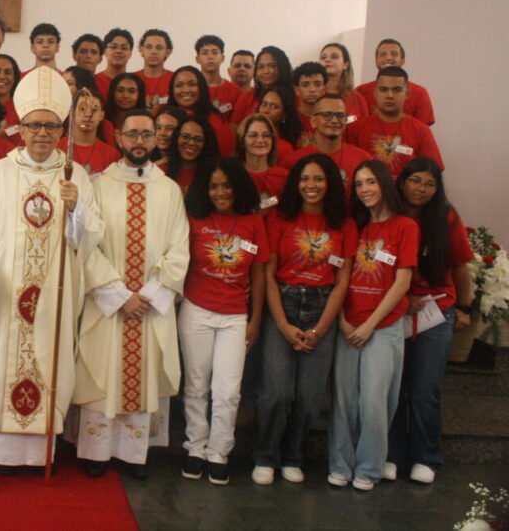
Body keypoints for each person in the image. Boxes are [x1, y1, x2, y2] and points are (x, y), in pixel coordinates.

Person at [0, 67, 103, 473]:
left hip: (53, 296)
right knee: (6, 359)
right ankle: (2, 452)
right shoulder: (0, 173)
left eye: (51, 126)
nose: (42, 133)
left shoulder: (75, 176)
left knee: (47, 361)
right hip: (4, 293)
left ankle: (40, 454)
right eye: (34, 125)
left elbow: (89, 238)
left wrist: (77, 210)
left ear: (61, 130)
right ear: (20, 127)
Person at [72, 110, 189, 479]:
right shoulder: (97, 184)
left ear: (156, 140)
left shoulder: (168, 189)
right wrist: (119, 295)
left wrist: (150, 295)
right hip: (111, 304)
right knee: (103, 370)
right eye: (132, 134)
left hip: (149, 307)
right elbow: (87, 245)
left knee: (143, 373)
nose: (140, 141)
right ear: (119, 139)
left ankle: (132, 454)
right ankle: (96, 451)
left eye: (147, 135)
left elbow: (179, 248)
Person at [252, 154, 355, 485]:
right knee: (276, 392)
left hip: (322, 307)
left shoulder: (344, 224)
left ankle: (293, 454)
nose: (312, 186)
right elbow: (267, 275)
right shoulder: (281, 218)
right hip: (283, 302)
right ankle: (266, 455)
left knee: (310, 394)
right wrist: (282, 325)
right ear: (296, 184)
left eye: (319, 179)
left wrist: (319, 329)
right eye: (305, 179)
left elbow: (343, 280)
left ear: (331, 184)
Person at [328, 160, 418, 491]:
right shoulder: (355, 226)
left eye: (370, 182)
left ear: (384, 184)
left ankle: (368, 468)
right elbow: (341, 275)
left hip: (383, 327)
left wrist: (370, 325)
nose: (365, 189)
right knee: (344, 399)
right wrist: (342, 320)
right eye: (359, 184)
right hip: (348, 325)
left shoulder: (405, 226)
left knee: (375, 401)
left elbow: (402, 283)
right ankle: (340, 464)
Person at [180, 157, 268, 485]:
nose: (220, 192)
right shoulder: (195, 219)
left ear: (239, 187)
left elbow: (259, 274)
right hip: (196, 310)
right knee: (196, 385)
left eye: (227, 185)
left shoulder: (253, 222)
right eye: (214, 186)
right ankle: (195, 448)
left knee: (228, 390)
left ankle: (219, 451)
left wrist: (255, 319)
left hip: (235, 315)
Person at [385, 158, 473, 484]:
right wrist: (401, 300)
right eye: (415, 181)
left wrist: (465, 308)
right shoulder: (388, 214)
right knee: (393, 387)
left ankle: (427, 457)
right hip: (395, 310)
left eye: (429, 184)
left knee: (425, 388)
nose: (421, 189)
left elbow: (461, 266)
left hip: (438, 312)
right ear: (402, 182)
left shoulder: (446, 217)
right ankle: (391, 454)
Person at [346, 67, 443, 177]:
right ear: (375, 93)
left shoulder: (421, 131)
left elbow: (434, 172)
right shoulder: (355, 129)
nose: (390, 96)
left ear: (407, 93)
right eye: (383, 89)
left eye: (396, 90)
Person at [282, 94, 372, 193]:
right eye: (326, 115)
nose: (334, 120)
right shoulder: (293, 161)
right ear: (313, 121)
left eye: (340, 116)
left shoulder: (363, 159)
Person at [355, 39, 436, 125]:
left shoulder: (420, 93)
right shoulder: (360, 92)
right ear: (376, 61)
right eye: (383, 54)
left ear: (402, 60)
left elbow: (421, 131)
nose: (388, 58)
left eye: (394, 54)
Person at [166, 66, 237, 156]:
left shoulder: (217, 122)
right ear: (172, 90)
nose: (186, 90)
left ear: (202, 88)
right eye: (179, 85)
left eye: (192, 84)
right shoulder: (164, 117)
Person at [57, 86, 119, 176]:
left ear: (101, 115)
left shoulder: (111, 155)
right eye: (82, 109)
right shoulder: (57, 148)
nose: (88, 114)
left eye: (94, 109)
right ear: (73, 113)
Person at [236, 114, 288, 211]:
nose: (260, 140)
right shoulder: (232, 175)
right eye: (253, 135)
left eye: (266, 135)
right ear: (242, 140)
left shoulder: (284, 177)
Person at [232, 46, 292, 123]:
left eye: (272, 66)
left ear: (282, 67)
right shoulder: (246, 99)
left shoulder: (295, 99)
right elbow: (234, 132)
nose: (266, 71)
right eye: (260, 67)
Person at [166, 116, 220, 194]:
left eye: (198, 139)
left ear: (206, 143)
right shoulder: (160, 170)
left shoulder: (215, 174)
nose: (191, 143)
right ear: (176, 138)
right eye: (185, 137)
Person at [318, 43, 370, 121]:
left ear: (345, 64)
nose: (327, 60)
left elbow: (365, 128)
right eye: (323, 57)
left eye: (334, 57)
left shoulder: (357, 99)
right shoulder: (312, 95)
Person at [196, 35, 242, 121]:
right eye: (205, 53)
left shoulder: (235, 91)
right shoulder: (191, 89)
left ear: (222, 58)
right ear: (197, 59)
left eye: (215, 52)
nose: (210, 57)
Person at [256, 86, 299, 159]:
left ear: (284, 115)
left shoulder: (284, 148)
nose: (266, 110)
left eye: (274, 107)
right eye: (264, 104)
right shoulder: (248, 138)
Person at [293, 62, 328, 147]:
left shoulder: (332, 119)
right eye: (305, 84)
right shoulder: (289, 119)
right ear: (297, 90)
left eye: (317, 84)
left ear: (324, 89)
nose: (312, 89)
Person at [136, 29, 174, 109]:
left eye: (159, 48)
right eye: (149, 47)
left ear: (168, 52)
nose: (153, 51)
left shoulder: (175, 79)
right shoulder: (132, 79)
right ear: (141, 49)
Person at [105, 72, 146, 139]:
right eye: (120, 90)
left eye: (131, 91)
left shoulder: (147, 123)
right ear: (112, 92)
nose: (125, 96)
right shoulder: (101, 121)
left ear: (140, 94)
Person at [95, 28, 133, 99]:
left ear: (130, 53)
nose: (118, 51)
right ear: (105, 51)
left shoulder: (134, 84)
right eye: (113, 47)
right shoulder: (94, 81)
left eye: (124, 48)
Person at [151, 105, 186, 174]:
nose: (162, 133)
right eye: (158, 127)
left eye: (170, 128)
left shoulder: (186, 163)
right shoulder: (144, 157)